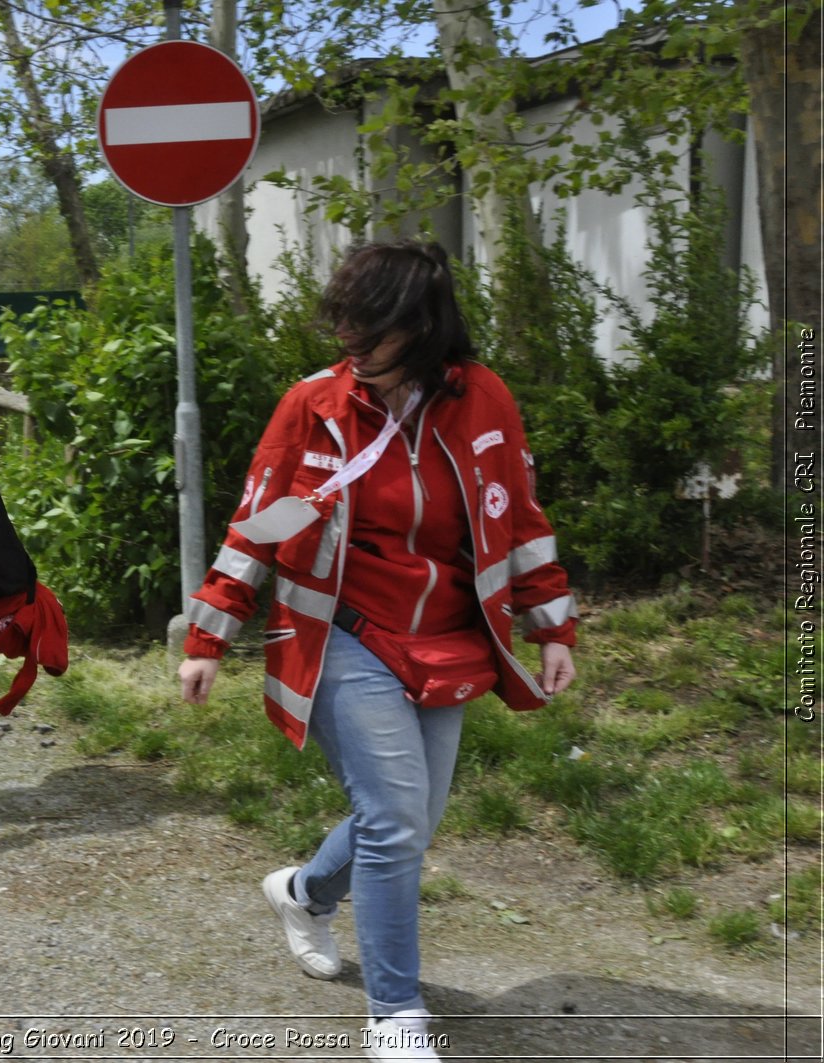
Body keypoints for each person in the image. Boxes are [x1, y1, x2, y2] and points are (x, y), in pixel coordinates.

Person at [177, 239, 577, 1061]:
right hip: (339, 637)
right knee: (395, 818)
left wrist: (552, 624)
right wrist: (211, 632)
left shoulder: (485, 401)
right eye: (348, 324)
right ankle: (396, 1012)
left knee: (407, 821)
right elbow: (262, 523)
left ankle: (302, 892)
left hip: (448, 641)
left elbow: (521, 518)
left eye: (373, 328)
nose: (353, 343)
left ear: (424, 325)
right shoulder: (313, 405)